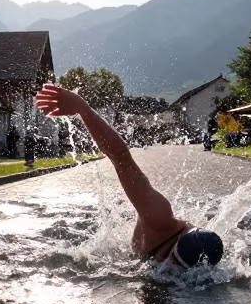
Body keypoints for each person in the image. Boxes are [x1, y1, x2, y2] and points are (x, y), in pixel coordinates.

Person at [34, 82, 224, 268]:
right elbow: (121, 159)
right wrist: (83, 109)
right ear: (178, 243)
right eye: (173, 258)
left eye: (180, 268)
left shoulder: (203, 264)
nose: (169, 265)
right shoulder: (158, 216)